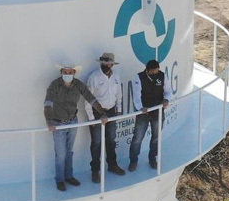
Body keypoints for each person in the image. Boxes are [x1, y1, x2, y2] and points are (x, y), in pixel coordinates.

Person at [44, 64, 97, 191]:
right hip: (58, 123)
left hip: (73, 121)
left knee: (69, 151)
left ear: (74, 73)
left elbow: (90, 98)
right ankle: (60, 180)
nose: (67, 74)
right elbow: (48, 104)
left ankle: (69, 176)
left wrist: (103, 113)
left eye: (70, 72)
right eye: (65, 72)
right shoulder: (54, 85)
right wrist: (49, 121)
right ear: (61, 72)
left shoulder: (78, 84)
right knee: (61, 154)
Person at [85, 52, 127, 183]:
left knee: (111, 140)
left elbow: (119, 93)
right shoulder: (94, 77)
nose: (104, 64)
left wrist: (119, 109)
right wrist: (91, 118)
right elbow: (88, 98)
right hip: (97, 113)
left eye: (107, 62)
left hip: (112, 111)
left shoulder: (116, 76)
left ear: (111, 64)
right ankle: (95, 171)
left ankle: (112, 165)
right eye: (102, 62)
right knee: (96, 143)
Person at [128, 59, 172, 171]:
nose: (154, 74)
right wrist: (140, 107)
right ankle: (133, 161)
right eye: (152, 72)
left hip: (158, 111)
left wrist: (166, 100)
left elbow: (168, 91)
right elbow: (137, 95)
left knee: (156, 137)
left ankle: (152, 159)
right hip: (144, 112)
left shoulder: (162, 76)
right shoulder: (139, 77)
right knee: (137, 138)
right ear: (147, 70)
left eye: (156, 71)